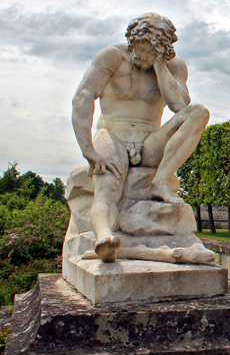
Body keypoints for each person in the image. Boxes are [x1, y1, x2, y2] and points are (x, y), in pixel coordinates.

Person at [72, 13, 210, 262]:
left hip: (149, 145)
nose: (138, 55)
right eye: (137, 47)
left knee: (198, 113)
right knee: (106, 189)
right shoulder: (112, 57)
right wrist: (88, 150)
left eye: (147, 52)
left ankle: (159, 181)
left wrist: (159, 64)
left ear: (161, 50)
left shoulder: (173, 66)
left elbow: (180, 105)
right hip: (113, 135)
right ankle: (104, 235)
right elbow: (83, 97)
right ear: (131, 40)